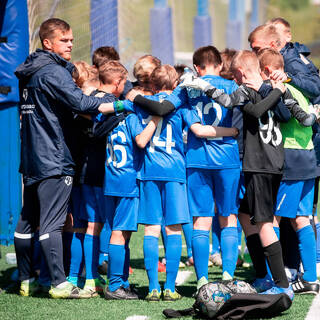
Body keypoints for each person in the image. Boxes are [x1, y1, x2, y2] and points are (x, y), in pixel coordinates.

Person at [13, 18, 118, 299]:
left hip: (32, 157)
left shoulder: (29, 71)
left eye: (71, 39)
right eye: (64, 40)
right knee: (52, 223)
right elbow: (82, 103)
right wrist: (118, 104)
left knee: (27, 221)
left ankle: (26, 279)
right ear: (47, 42)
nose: (70, 44)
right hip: (55, 159)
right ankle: (59, 283)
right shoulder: (53, 72)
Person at [127, 46, 242, 289]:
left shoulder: (186, 90)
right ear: (221, 65)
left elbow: (167, 110)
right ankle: (228, 277)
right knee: (228, 217)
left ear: (197, 68)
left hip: (197, 159)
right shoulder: (232, 87)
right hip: (228, 159)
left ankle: (201, 279)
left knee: (201, 220)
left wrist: (134, 96)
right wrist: (233, 132)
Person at [258, 48, 319, 295]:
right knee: (302, 219)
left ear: (269, 71)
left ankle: (276, 279)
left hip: (292, 159)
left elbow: (286, 115)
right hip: (309, 160)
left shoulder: (284, 89)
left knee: (274, 219)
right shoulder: (303, 91)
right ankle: (310, 278)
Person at [97, 64, 160, 300]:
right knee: (120, 233)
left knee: (120, 232)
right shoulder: (132, 116)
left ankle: (121, 281)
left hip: (111, 177)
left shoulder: (112, 115)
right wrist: (154, 119)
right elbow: (141, 141)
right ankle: (114, 286)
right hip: (127, 180)